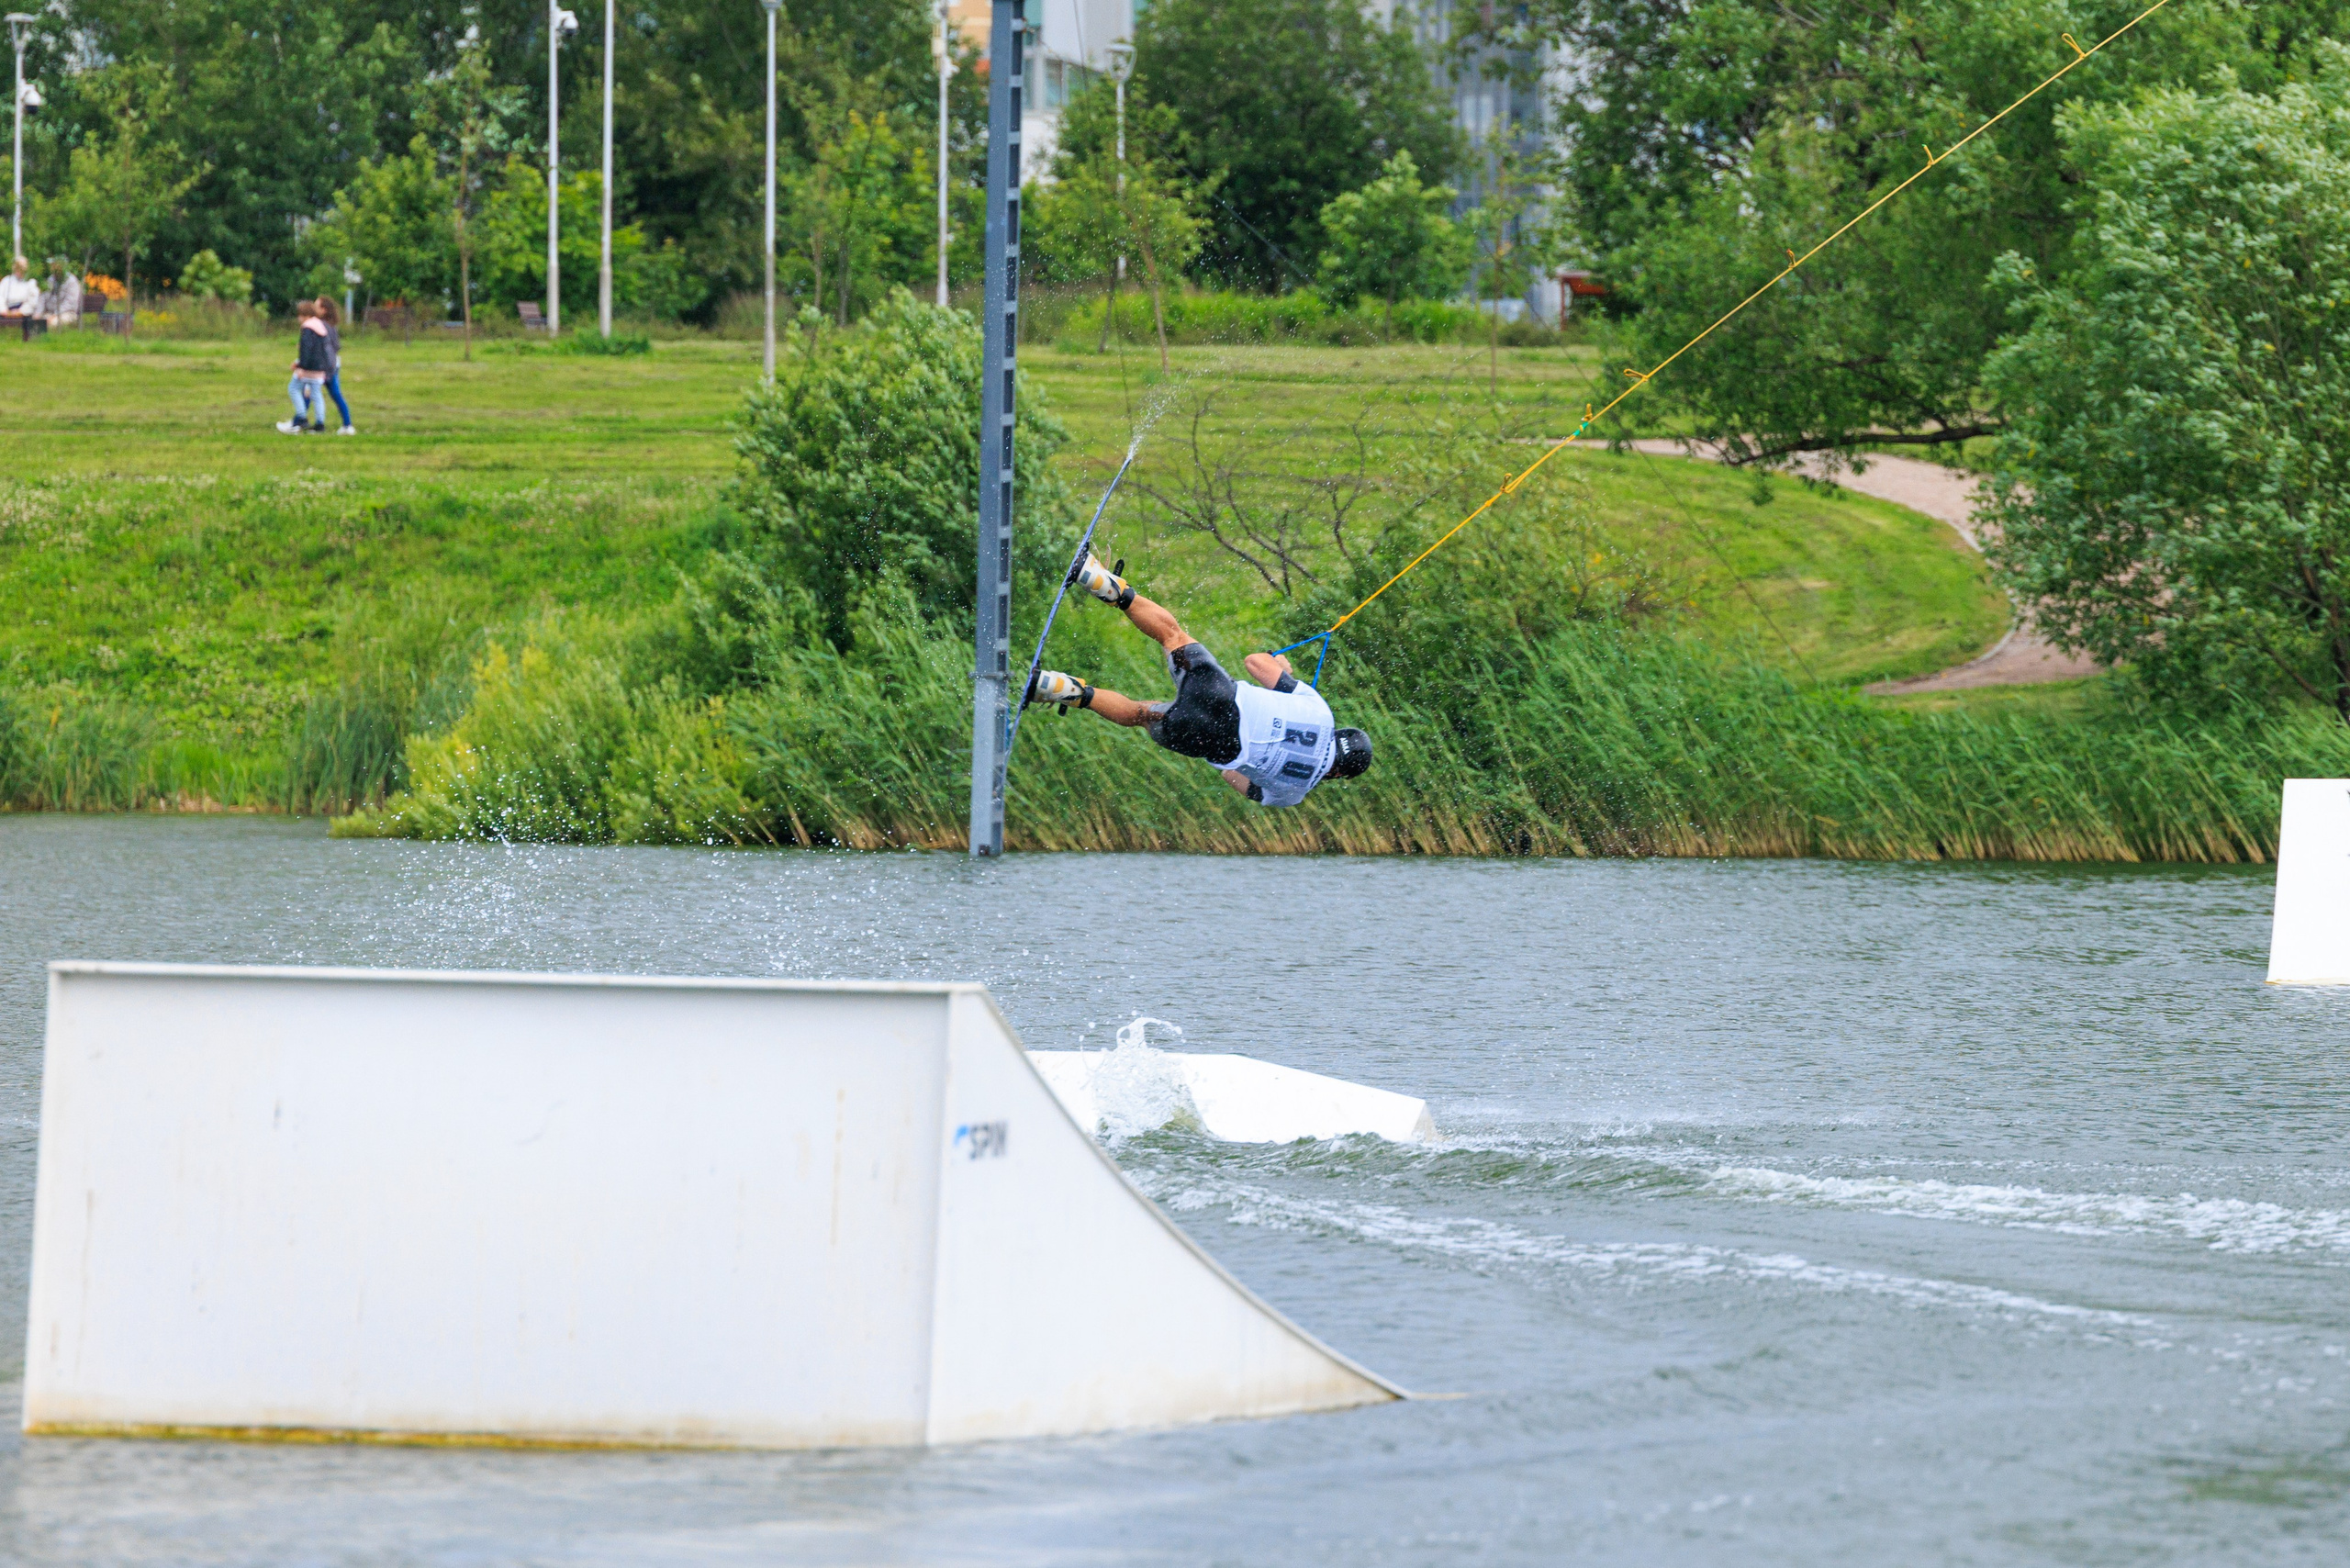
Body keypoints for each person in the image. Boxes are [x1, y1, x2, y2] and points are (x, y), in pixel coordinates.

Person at [1028, 554, 1373, 807]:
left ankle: (1099, 581)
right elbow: (1232, 777)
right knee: (1141, 714)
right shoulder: (1292, 795)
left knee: (1172, 636)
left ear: (1339, 735)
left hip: (1219, 697)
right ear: (1339, 774)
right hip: (1206, 741)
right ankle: (1056, 688)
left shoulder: (1322, 714)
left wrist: (1280, 665)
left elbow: (1254, 663)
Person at [277, 301, 334, 433]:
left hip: (308, 368)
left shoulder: (308, 328)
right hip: (320, 368)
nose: (298, 318)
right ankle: (320, 424)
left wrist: (301, 366)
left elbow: (306, 350)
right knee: (317, 395)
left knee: (293, 388)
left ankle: (301, 417)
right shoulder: (321, 326)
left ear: (306, 315)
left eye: (300, 315)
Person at [314, 297, 354, 435]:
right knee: (336, 395)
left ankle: (299, 422)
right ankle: (347, 425)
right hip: (333, 363)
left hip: (325, 365)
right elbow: (337, 346)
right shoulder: (331, 325)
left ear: (324, 310)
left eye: (316, 306)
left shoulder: (321, 325)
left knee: (309, 391)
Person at [0, 256, 43, 340]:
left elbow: (32, 302)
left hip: (23, 313)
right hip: (6, 311)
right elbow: (0, 297)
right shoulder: (7, 281)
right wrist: (4, 311)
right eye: (17, 267)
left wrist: (20, 312)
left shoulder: (31, 282)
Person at [39, 259, 81, 328]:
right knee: (34, 323)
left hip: (67, 314)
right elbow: (43, 298)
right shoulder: (51, 279)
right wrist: (38, 314)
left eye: (54, 265)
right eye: (52, 265)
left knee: (51, 324)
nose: (52, 268)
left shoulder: (71, 281)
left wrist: (55, 315)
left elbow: (69, 304)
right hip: (50, 313)